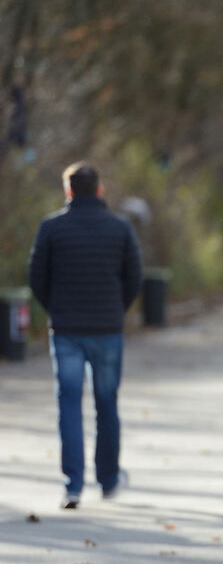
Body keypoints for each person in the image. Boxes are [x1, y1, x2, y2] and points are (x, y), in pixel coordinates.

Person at [28, 162, 143, 509]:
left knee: (69, 405)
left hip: (66, 331)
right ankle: (108, 480)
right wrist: (115, 310)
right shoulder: (119, 228)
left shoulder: (52, 227)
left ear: (69, 191)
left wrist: (56, 310)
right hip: (107, 329)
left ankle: (73, 485)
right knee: (107, 403)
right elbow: (134, 277)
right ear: (99, 189)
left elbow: (37, 277)